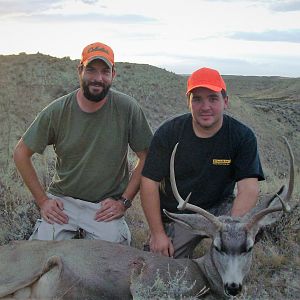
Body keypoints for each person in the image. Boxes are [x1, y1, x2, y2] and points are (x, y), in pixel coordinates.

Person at [14, 41, 153, 245]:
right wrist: (43, 201)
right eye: (91, 70)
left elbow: (146, 155)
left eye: (105, 71)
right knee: (39, 253)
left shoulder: (127, 109)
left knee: (113, 261)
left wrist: (124, 201)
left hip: (103, 208)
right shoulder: (58, 110)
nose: (98, 78)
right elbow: (20, 153)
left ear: (113, 74)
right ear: (80, 70)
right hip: (63, 203)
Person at [140, 67, 264, 258]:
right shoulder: (169, 133)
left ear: (226, 102)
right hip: (181, 213)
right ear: (188, 103)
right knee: (162, 263)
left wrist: (231, 231)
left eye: (213, 98)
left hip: (220, 209)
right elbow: (149, 183)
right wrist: (158, 234)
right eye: (197, 99)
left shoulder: (242, 136)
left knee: (247, 232)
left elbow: (248, 189)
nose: (205, 107)